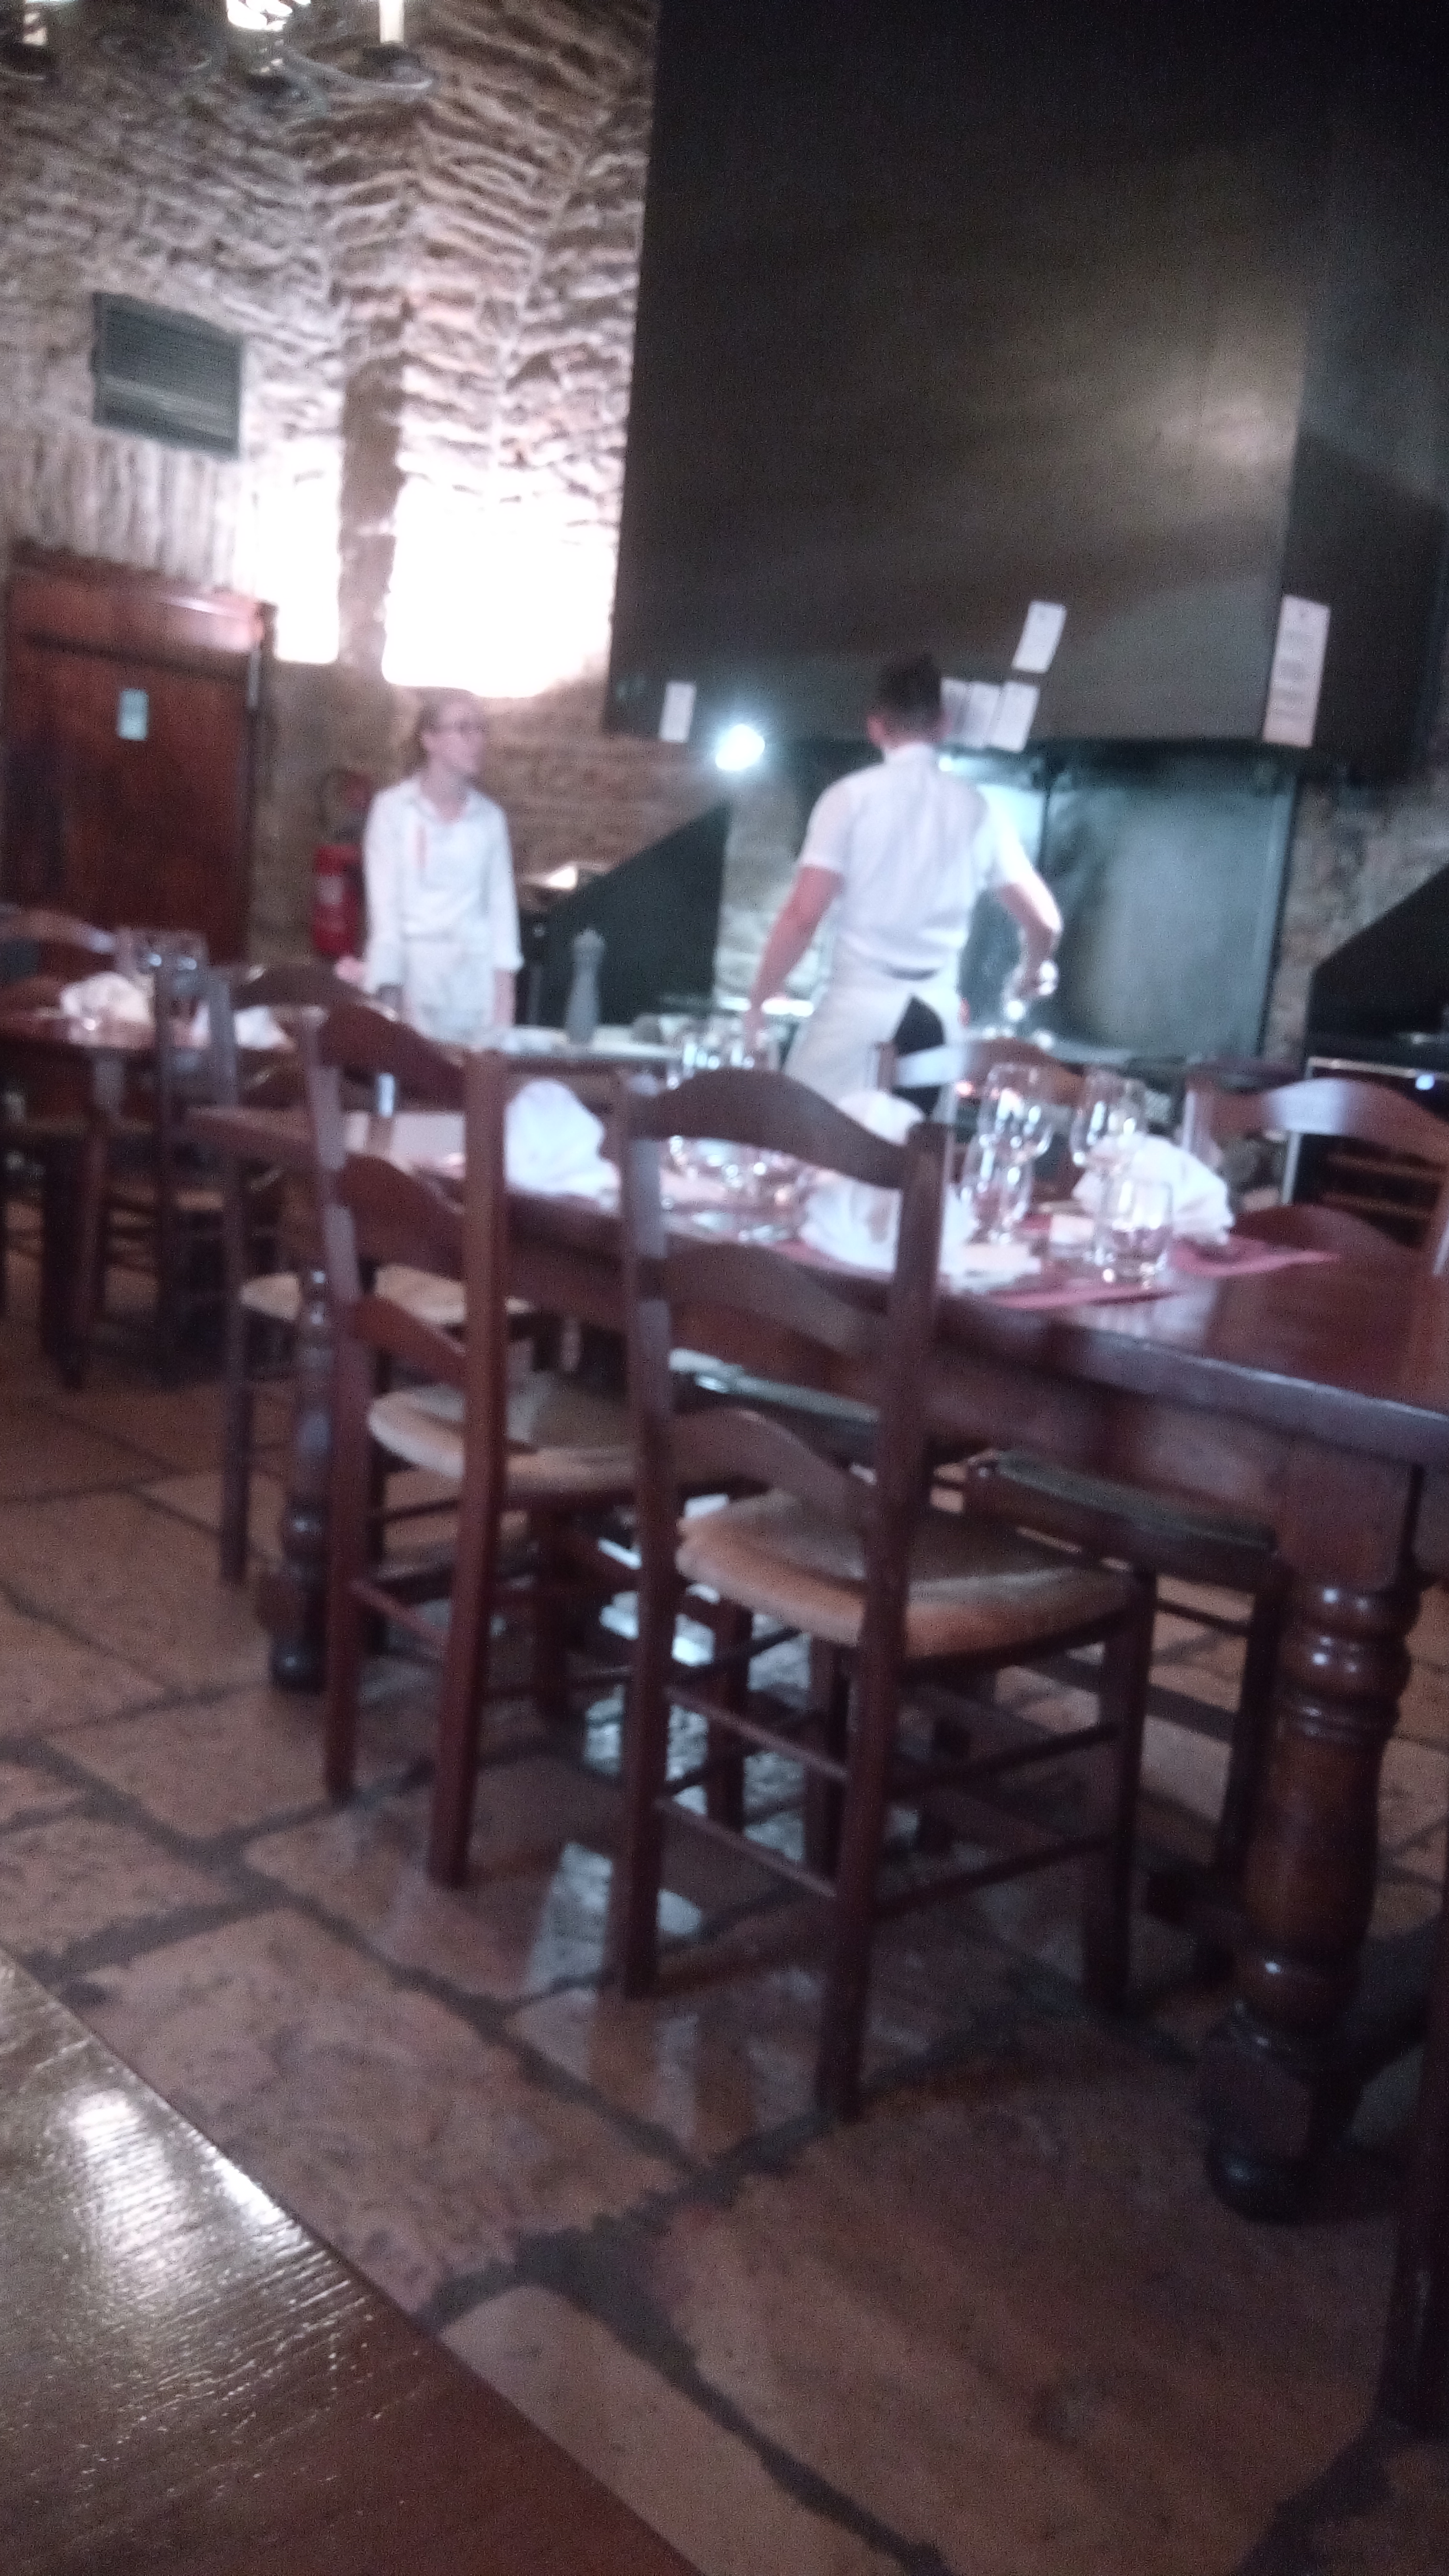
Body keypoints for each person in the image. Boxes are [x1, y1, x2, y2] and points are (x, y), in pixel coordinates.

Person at [746, 653, 1061, 1102]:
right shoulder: (981, 809)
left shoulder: (848, 799)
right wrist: (1032, 970)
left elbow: (803, 915)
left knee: (801, 1133)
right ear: (943, 725)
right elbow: (1045, 922)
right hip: (936, 1021)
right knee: (917, 1144)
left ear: (876, 727)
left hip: (853, 1013)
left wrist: (760, 998)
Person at [356, 689, 522, 1043]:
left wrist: (504, 999)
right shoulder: (393, 811)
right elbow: (385, 914)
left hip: (473, 987)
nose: (477, 740)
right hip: (414, 979)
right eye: (463, 729)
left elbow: (501, 911)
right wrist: (391, 997)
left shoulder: (489, 819)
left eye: (481, 729)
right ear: (429, 739)